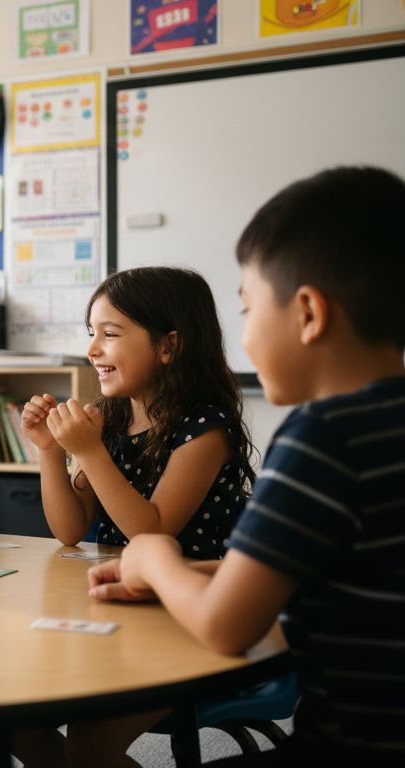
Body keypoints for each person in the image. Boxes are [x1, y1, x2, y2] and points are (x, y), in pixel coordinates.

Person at [86, 166, 405, 767]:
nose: (246, 337)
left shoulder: (323, 440)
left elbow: (226, 626)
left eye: (249, 307)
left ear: (308, 313)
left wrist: (157, 560)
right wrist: (194, 574)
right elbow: (321, 573)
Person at [13, 266, 257, 767]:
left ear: (168, 346)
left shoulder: (205, 428)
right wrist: (49, 452)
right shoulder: (112, 416)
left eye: (110, 334)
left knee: (88, 741)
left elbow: (152, 531)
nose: (93, 349)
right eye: (91, 333)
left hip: (192, 615)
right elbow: (68, 529)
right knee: (11, 714)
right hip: (122, 605)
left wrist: (90, 452)